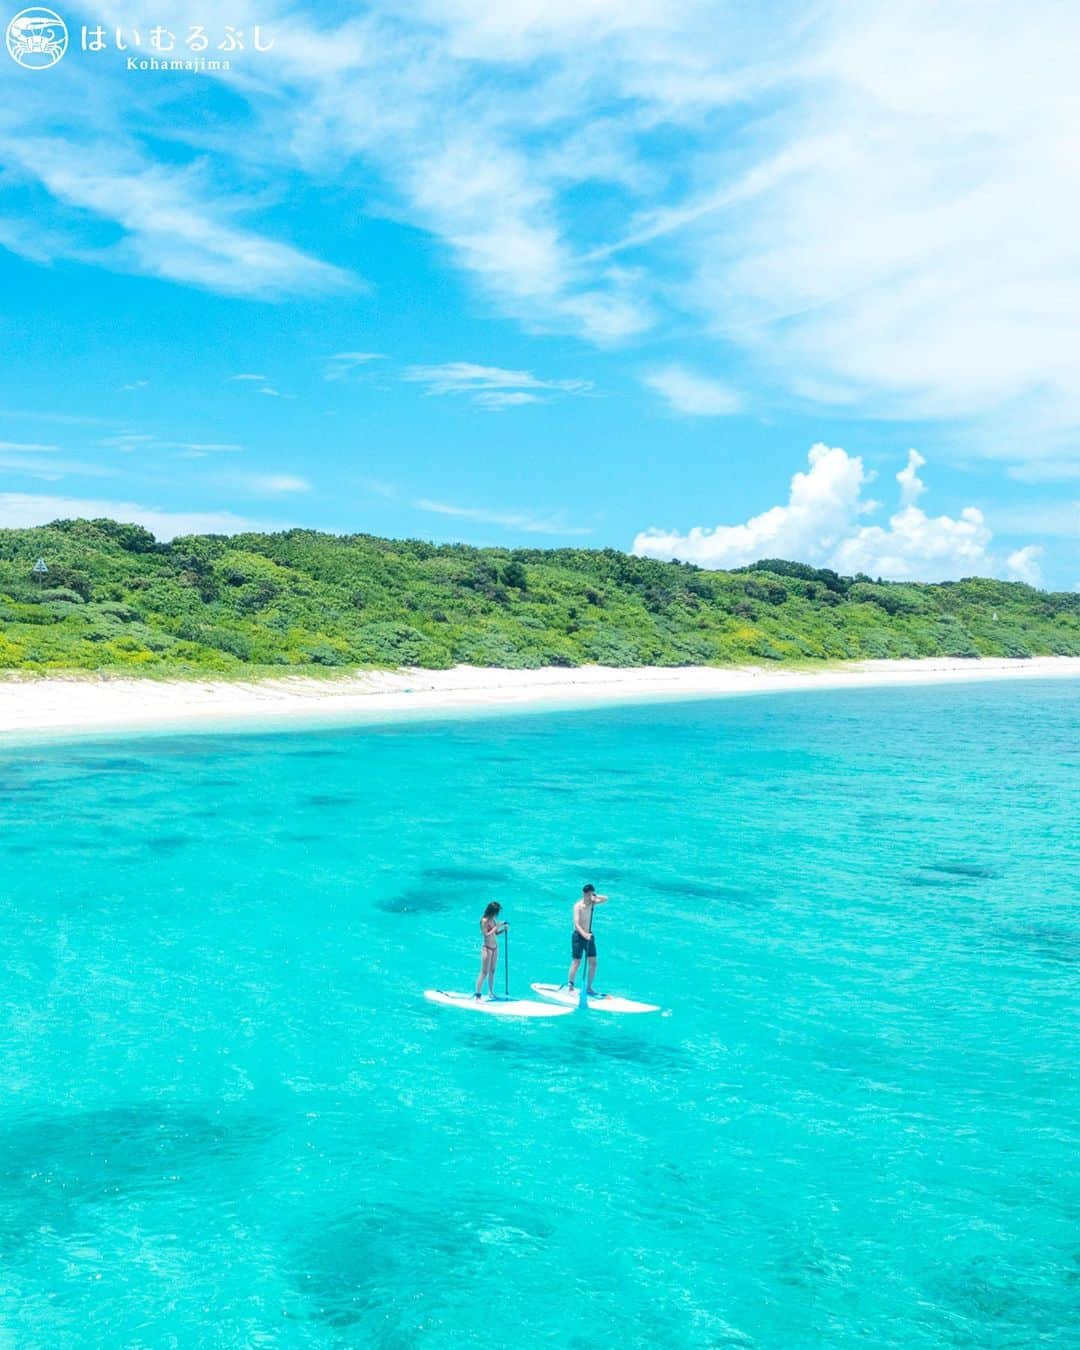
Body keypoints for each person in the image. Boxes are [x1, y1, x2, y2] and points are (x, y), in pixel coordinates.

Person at [568, 884, 608, 995]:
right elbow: (576, 924)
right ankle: (571, 987)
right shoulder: (578, 906)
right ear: (584, 894)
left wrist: (595, 895)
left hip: (589, 936)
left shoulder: (592, 902)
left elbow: (606, 898)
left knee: (593, 963)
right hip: (578, 936)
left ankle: (589, 988)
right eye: (588, 894)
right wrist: (584, 934)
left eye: (591, 894)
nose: (590, 897)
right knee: (576, 962)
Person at [475, 902, 508, 999]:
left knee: (492, 971)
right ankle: (478, 995)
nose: (497, 914)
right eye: (496, 912)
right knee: (484, 972)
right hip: (487, 948)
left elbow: (496, 933)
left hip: (495, 948)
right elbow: (486, 934)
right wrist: (497, 926)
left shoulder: (493, 920)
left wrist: (503, 929)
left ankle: (490, 992)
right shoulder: (484, 921)